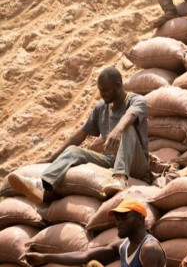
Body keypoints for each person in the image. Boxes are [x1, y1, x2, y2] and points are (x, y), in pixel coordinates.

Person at [8, 67, 149, 203]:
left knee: (126, 128)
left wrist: (118, 130)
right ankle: (42, 184)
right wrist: (51, 158)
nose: (102, 94)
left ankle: (119, 178)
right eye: (100, 90)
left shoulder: (137, 101)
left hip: (136, 164)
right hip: (110, 160)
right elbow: (81, 135)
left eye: (105, 90)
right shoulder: (101, 107)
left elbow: (130, 115)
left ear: (118, 86)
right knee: (74, 152)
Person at [21, 198, 166, 267]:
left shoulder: (149, 249)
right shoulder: (124, 246)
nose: (119, 223)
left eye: (124, 217)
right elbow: (85, 255)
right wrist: (44, 257)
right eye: (117, 218)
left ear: (140, 220)